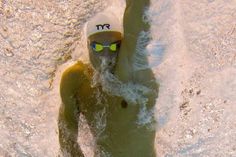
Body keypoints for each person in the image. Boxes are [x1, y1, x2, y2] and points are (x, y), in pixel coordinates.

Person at [58, 0, 158, 156]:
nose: (106, 55)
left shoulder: (131, 74)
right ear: (87, 44)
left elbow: (137, 13)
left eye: (113, 47)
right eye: (97, 47)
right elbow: (67, 138)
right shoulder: (76, 80)